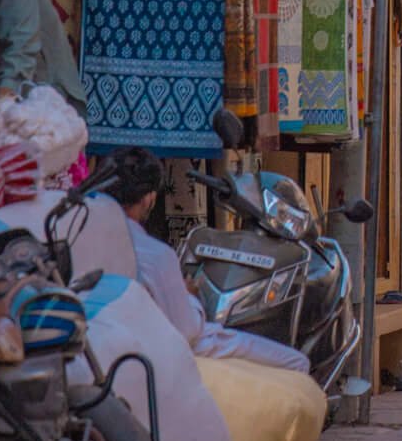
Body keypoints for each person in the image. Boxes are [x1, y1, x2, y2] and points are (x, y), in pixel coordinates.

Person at [107, 150, 311, 373]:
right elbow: (188, 330)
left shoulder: (81, 235)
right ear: (149, 198)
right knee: (297, 363)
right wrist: (190, 296)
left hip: (112, 339)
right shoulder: (156, 255)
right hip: (166, 345)